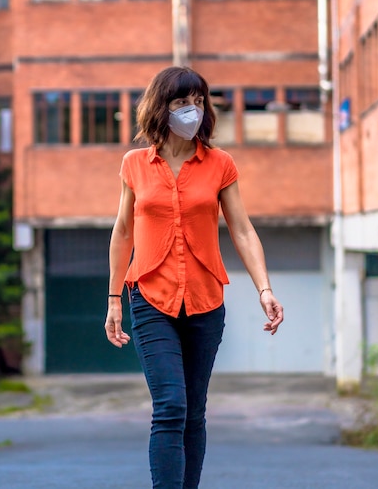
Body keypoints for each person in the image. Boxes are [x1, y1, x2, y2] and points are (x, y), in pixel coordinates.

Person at [105, 66, 284, 489]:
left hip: (206, 301)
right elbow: (123, 231)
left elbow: (241, 229)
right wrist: (114, 299)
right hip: (150, 298)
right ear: (160, 107)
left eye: (199, 102)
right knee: (170, 406)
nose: (192, 110)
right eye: (181, 102)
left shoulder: (220, 163)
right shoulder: (135, 164)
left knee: (194, 413)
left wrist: (265, 288)